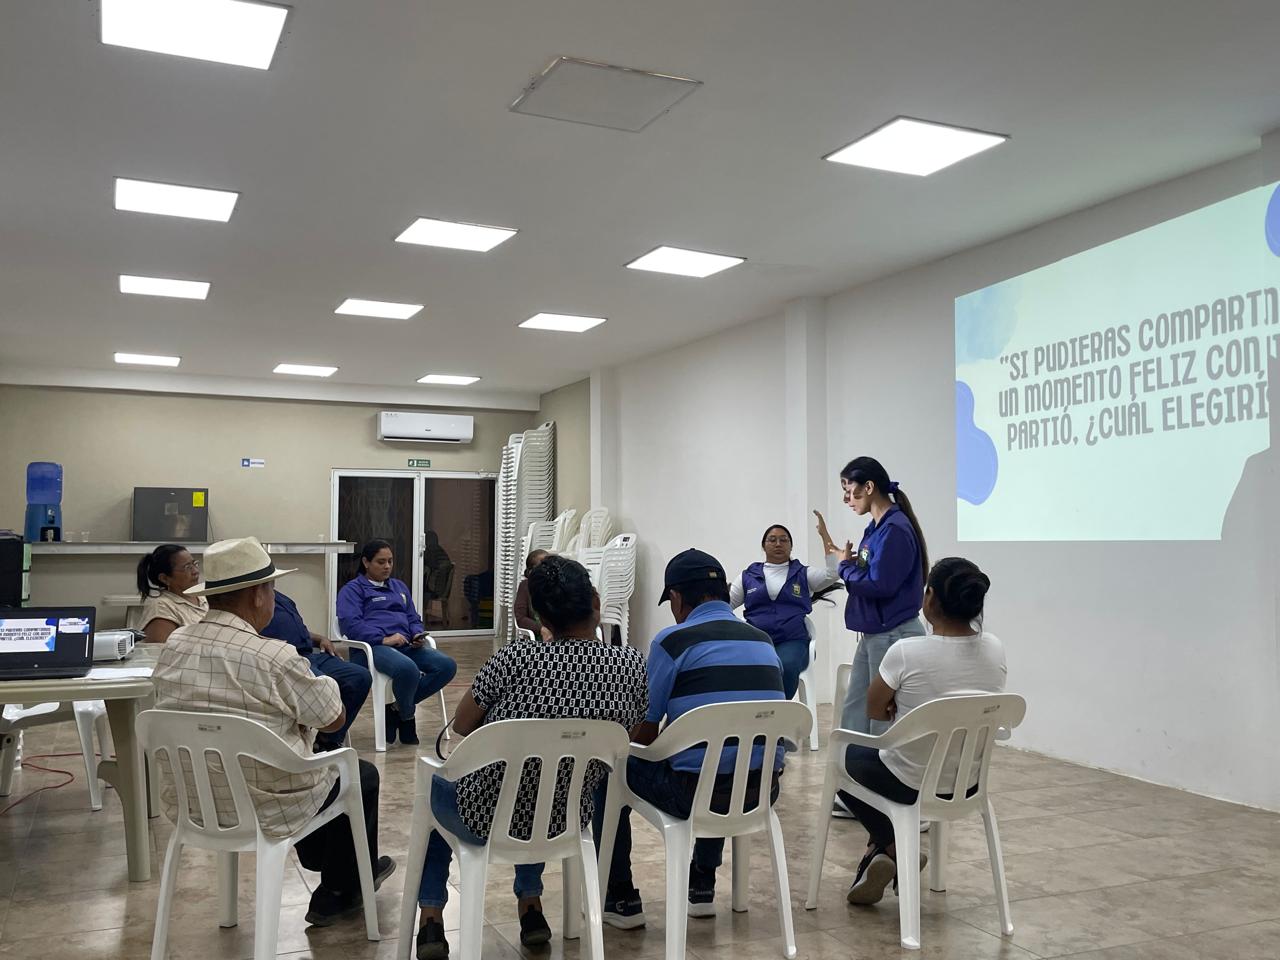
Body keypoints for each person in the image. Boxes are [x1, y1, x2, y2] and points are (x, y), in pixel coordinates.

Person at [151, 537, 395, 926]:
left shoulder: (174, 645)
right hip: (266, 806)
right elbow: (333, 719)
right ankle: (339, 889)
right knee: (358, 774)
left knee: (317, 769)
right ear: (258, 594)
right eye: (271, 588)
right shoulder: (273, 655)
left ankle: (337, 867)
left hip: (193, 801)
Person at [414, 556, 647, 960]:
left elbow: (463, 725)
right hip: (568, 816)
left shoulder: (515, 659)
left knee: (442, 789)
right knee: (548, 784)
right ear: (595, 601)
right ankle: (531, 906)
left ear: (540, 615)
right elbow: (630, 733)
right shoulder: (631, 667)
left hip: (482, 816)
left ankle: (432, 916)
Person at [594, 548, 786, 930]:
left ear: (677, 597)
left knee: (608, 768)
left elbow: (645, 734)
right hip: (761, 791)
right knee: (721, 756)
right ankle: (702, 881)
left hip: (692, 794)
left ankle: (620, 897)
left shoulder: (672, 642)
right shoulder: (764, 642)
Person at [840, 557, 1006, 905]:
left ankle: (892, 848)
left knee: (846, 758)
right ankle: (878, 852)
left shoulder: (906, 652)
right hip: (966, 783)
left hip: (909, 781)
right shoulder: (994, 649)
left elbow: (874, 710)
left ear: (930, 598)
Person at [337, 539, 457, 746]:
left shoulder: (399, 587)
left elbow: (413, 617)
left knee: (447, 666)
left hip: (406, 645)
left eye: (390, 561)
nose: (387, 566)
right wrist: (383, 639)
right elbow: (351, 625)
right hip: (373, 648)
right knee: (407, 669)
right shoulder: (353, 590)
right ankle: (408, 718)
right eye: (381, 562)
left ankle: (396, 709)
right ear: (366, 562)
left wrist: (417, 633)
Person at [730, 524, 839, 699]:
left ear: (791, 546)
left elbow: (832, 574)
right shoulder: (748, 576)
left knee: (785, 665)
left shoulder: (803, 574)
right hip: (757, 641)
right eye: (772, 540)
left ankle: (779, 709)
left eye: (784, 540)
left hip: (793, 641)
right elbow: (725, 605)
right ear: (763, 545)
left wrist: (824, 534)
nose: (778, 544)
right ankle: (751, 709)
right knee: (740, 665)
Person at [262, 589, 372, 751]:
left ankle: (328, 740)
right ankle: (311, 738)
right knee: (323, 688)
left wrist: (321, 638)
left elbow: (298, 629)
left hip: (310, 654)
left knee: (360, 676)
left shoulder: (282, 597)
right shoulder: (255, 600)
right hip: (288, 659)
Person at [135, 544, 207, 643]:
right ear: (165, 578)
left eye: (194, 564)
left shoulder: (203, 596)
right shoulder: (161, 608)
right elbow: (159, 650)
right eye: (187, 567)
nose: (195, 571)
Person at [512, 548, 549, 634]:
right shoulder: (525, 586)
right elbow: (520, 618)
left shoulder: (556, 584)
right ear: (532, 570)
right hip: (538, 633)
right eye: (543, 566)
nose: (548, 568)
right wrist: (541, 629)